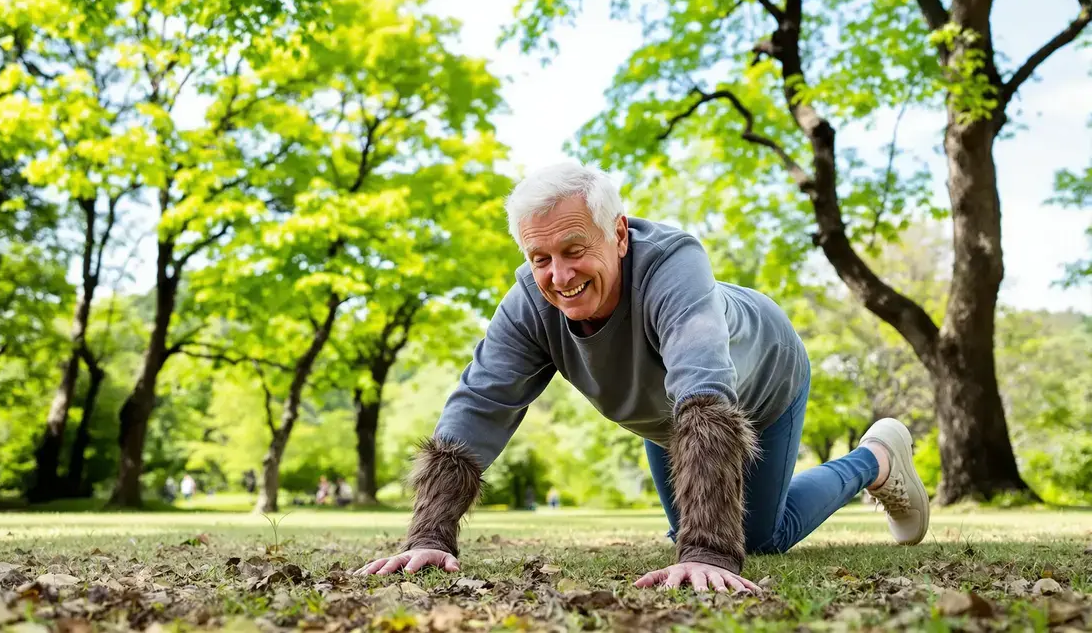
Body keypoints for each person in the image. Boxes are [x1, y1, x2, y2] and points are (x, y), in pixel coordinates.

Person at [354, 163, 930, 593]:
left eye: (575, 249)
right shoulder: (530, 301)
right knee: (701, 526)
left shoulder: (674, 264)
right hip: (669, 418)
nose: (559, 274)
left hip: (759, 382)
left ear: (619, 234)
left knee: (753, 539)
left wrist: (708, 551)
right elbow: (480, 401)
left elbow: (704, 394)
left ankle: (876, 457)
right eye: (540, 258)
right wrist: (429, 535)